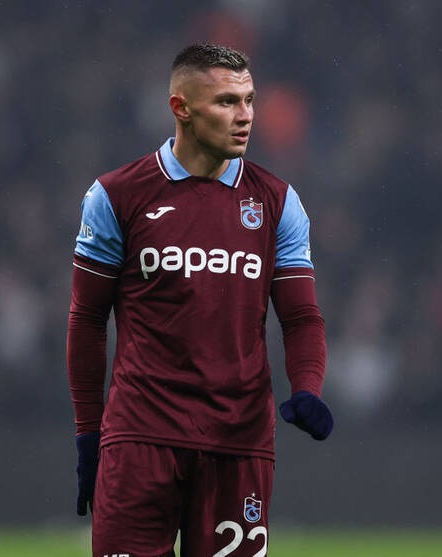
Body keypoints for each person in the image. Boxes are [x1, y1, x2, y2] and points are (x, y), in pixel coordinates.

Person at [66, 43, 334, 557]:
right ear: (181, 108)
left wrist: (308, 388)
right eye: (227, 102)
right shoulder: (117, 196)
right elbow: (87, 319)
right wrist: (88, 432)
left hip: (238, 442)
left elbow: (301, 317)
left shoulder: (278, 202)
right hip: (140, 437)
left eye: (249, 100)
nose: (246, 116)